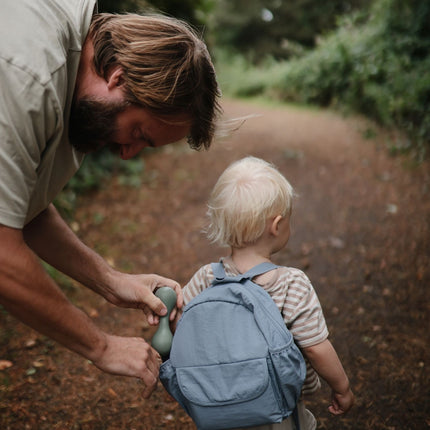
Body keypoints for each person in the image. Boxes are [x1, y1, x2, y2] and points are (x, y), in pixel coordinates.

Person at [0, 0, 221, 398]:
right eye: (139, 134)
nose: (126, 153)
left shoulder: (81, 96)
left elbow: (21, 207)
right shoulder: (28, 74)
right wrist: (100, 345)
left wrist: (110, 281)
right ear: (119, 78)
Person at [182, 156, 354, 429]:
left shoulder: (206, 278)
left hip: (216, 406)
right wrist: (342, 387)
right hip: (276, 409)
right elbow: (315, 347)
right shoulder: (291, 284)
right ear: (276, 226)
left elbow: (182, 322)